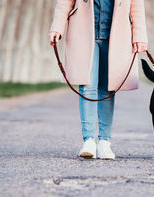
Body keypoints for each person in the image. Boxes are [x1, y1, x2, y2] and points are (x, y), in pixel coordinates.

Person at [49, 0, 148, 160]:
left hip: (116, 35)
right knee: (86, 85)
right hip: (83, 33)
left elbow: (136, 7)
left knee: (108, 88)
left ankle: (104, 142)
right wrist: (56, 28)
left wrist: (140, 36)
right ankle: (88, 141)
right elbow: (64, 3)